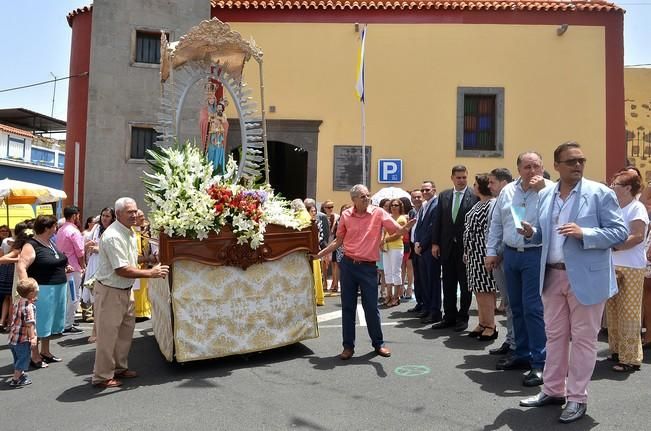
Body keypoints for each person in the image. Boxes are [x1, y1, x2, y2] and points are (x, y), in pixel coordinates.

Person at [519, 142, 627, 424]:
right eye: (571, 162)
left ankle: (577, 398)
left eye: (581, 160)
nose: (577, 166)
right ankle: (553, 390)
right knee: (554, 336)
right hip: (552, 275)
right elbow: (547, 233)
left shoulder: (600, 193)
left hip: (587, 277)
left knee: (583, 340)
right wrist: (532, 233)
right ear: (556, 166)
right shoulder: (547, 195)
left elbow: (619, 232)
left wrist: (585, 233)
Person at [315, 184, 415, 360]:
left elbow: (395, 231)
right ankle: (348, 347)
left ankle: (378, 343)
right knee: (348, 307)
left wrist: (403, 229)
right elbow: (338, 241)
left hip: (368, 267)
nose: (367, 198)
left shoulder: (378, 213)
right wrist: (319, 255)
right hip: (348, 265)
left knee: (371, 307)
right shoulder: (346, 215)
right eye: (363, 196)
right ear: (353, 199)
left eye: (368, 195)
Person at [485, 152, 552, 386]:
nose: (532, 171)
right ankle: (522, 353)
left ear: (542, 168)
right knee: (515, 306)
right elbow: (496, 223)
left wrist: (542, 190)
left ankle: (540, 362)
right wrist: (491, 251)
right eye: (527, 166)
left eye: (536, 166)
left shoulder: (550, 190)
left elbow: (557, 219)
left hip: (536, 254)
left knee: (533, 308)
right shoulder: (508, 191)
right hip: (511, 254)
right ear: (518, 169)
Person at [91, 197, 169, 388]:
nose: (135, 215)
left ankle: (119, 368)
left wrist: (149, 257)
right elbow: (122, 269)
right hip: (111, 290)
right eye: (130, 212)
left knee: (125, 333)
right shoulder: (113, 236)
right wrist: (151, 273)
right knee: (108, 336)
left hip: (125, 289)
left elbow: (131, 260)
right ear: (118, 214)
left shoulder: (129, 232)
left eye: (135, 211)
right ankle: (102, 376)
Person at [607, 170, 648, 372]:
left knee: (629, 312)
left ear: (628, 188)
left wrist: (614, 246)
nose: (612, 187)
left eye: (616, 184)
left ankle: (630, 358)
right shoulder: (615, 207)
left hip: (631, 265)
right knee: (612, 309)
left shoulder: (636, 208)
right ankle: (616, 350)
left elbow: (638, 236)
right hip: (613, 264)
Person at [16, 215, 70, 368]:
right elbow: (21, 266)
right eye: (54, 226)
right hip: (44, 290)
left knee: (50, 322)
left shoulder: (49, 242)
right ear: (47, 228)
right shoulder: (31, 244)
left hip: (58, 288)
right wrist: (28, 289)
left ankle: (45, 351)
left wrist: (64, 267)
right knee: (39, 322)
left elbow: (51, 261)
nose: (56, 228)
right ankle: (34, 355)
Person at [432, 165, 479, 332]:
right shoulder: (444, 195)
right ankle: (449, 317)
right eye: (458, 178)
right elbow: (438, 221)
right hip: (446, 247)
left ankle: (462, 317)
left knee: (465, 284)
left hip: (465, 249)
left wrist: (471, 247)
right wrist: (435, 243)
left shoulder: (474, 196)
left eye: (464, 177)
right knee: (448, 284)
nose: (461, 181)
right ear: (452, 178)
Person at [485, 168, 516, 356]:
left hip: (505, 257)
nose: (489, 186)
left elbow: (510, 230)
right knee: (508, 303)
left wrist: (499, 253)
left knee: (512, 304)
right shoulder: (498, 201)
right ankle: (511, 339)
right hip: (498, 258)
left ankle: (514, 343)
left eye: (492, 182)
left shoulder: (511, 199)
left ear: (504, 182)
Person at [464, 174, 498, 341]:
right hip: (473, 253)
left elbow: (491, 230)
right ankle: (483, 322)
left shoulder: (492, 204)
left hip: (483, 253)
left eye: (476, 184)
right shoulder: (479, 203)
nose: (473, 186)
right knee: (478, 291)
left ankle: (491, 325)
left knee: (486, 290)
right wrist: (466, 250)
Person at [83, 207, 116, 341]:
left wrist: (97, 248)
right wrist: (89, 245)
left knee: (107, 301)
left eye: (108, 216)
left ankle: (106, 330)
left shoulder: (114, 230)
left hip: (106, 266)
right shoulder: (96, 228)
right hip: (94, 264)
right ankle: (95, 331)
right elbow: (88, 243)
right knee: (96, 300)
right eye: (103, 215)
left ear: (113, 217)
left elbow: (113, 251)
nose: (104, 218)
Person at [413, 181, 442, 324]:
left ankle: (435, 311)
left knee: (433, 281)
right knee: (424, 280)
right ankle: (427, 307)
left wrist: (422, 244)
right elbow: (419, 227)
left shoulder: (436, 205)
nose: (424, 192)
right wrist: (417, 242)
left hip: (430, 248)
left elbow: (432, 228)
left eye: (427, 190)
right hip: (421, 249)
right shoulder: (424, 206)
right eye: (422, 190)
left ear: (434, 190)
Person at [56, 206, 86, 334]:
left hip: (62, 267)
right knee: (74, 296)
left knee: (65, 296)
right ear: (74, 216)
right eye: (78, 216)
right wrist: (83, 265)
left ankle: (65, 322)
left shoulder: (61, 230)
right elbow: (80, 252)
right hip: (73, 268)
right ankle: (68, 324)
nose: (78, 218)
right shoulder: (74, 231)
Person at [7, 278, 38, 388]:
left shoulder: (18, 301)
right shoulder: (28, 307)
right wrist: (33, 337)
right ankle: (16, 379)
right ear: (31, 293)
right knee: (24, 358)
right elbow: (29, 324)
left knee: (18, 358)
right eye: (36, 290)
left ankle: (21, 375)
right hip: (22, 339)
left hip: (13, 338)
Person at [381, 199, 407, 307]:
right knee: (387, 271)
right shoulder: (389, 217)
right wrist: (382, 242)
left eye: (396, 205)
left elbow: (398, 234)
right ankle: (389, 295)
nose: (394, 207)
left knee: (396, 271)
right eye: (392, 205)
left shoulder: (402, 219)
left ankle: (396, 296)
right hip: (386, 247)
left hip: (396, 247)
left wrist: (385, 240)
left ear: (400, 206)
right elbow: (383, 231)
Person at [199, 81, 229, 174]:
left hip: (219, 136)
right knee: (211, 152)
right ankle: (210, 172)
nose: (211, 100)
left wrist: (222, 121)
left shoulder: (218, 109)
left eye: (213, 98)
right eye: (210, 98)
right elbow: (202, 122)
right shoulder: (204, 110)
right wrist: (210, 120)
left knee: (218, 151)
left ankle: (219, 171)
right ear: (207, 100)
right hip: (210, 138)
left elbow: (225, 123)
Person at [133, 210, 154, 321]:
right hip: (135, 264)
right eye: (140, 216)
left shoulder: (144, 231)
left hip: (144, 265)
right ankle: (137, 312)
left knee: (144, 290)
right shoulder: (131, 232)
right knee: (137, 290)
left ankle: (144, 311)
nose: (143, 218)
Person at [407, 188, 425, 313]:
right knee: (417, 277)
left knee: (425, 277)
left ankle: (426, 304)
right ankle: (419, 302)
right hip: (413, 246)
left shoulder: (425, 210)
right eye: (414, 197)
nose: (417, 199)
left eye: (419, 197)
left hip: (423, 247)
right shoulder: (412, 212)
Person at [305, 200, 325, 306]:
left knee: (317, 274)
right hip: (307, 250)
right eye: (312, 211)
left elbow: (321, 235)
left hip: (315, 249)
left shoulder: (318, 221)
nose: (314, 213)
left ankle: (318, 297)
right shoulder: (304, 222)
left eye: (315, 211)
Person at [321, 200, 338, 292]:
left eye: (332, 207)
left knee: (333, 262)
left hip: (333, 240)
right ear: (324, 208)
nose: (330, 209)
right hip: (324, 241)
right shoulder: (321, 217)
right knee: (324, 262)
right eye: (328, 207)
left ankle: (334, 283)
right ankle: (325, 282)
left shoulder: (336, 217)